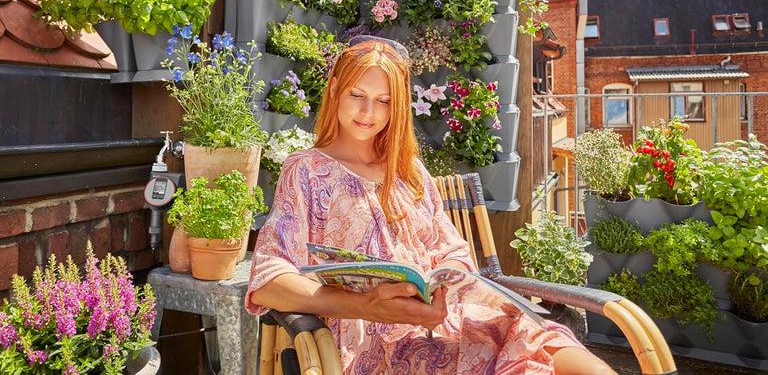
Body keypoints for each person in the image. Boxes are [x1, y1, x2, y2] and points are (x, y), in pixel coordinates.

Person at [246, 36, 615, 375]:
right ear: (335, 93)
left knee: (533, 330)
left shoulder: (408, 172)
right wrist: (365, 306)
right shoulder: (306, 170)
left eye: (384, 100)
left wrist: (441, 287)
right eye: (357, 94)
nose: (369, 111)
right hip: (375, 347)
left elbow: (453, 251)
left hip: (446, 320)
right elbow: (267, 281)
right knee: (519, 344)